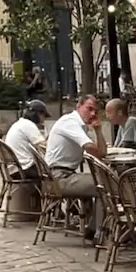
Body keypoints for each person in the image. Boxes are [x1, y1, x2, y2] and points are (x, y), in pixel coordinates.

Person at [44, 94, 106, 233]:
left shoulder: (79, 126)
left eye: (95, 111)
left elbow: (101, 153)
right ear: (79, 107)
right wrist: (99, 147)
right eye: (89, 109)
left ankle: (92, 228)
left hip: (60, 175)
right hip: (58, 178)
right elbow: (94, 149)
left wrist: (98, 131)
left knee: (99, 181)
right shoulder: (71, 122)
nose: (92, 114)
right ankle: (99, 232)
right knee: (105, 185)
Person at [3, 99, 48, 180]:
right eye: (44, 116)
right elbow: (44, 147)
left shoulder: (20, 124)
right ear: (38, 114)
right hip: (24, 168)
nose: (44, 120)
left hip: (14, 168)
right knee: (54, 173)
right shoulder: (29, 125)